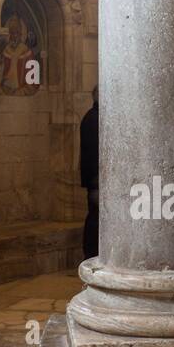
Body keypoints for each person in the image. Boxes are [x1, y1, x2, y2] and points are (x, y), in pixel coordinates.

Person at [80, 86, 99, 259]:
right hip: (97, 180)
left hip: (96, 179)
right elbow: (95, 153)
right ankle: (92, 256)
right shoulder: (95, 119)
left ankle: (93, 254)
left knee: (96, 217)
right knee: (96, 218)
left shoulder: (92, 116)